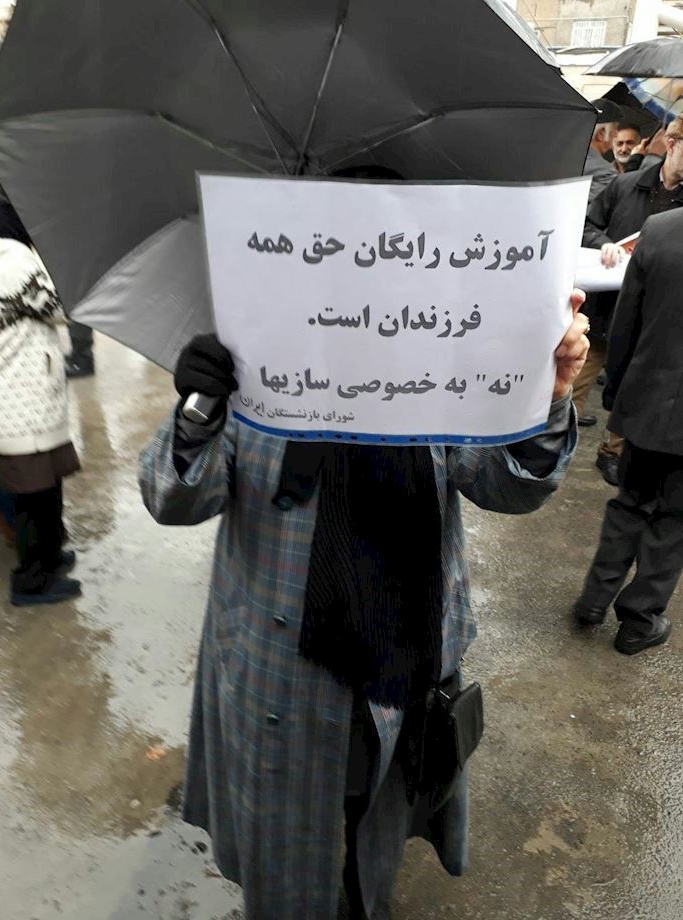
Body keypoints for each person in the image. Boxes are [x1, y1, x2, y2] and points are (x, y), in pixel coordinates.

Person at [138, 251, 588, 920]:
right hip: (280, 676)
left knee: (373, 840)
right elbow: (172, 496)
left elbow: (508, 484)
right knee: (288, 862)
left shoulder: (441, 372)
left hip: (404, 664)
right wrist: (202, 404)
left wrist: (545, 395)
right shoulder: (257, 370)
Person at [574, 209, 683, 655]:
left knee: (629, 503)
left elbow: (625, 323)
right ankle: (639, 620)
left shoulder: (660, 228)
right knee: (673, 519)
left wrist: (617, 390)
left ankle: (594, 601)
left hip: (645, 400)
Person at [573, 114, 683, 483]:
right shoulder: (625, 186)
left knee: (634, 389)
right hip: (604, 311)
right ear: (671, 144)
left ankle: (613, 451)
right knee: (576, 381)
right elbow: (586, 224)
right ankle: (557, 440)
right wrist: (602, 243)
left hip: (653, 317)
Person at [0, 200, 81, 605]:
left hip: (17, 404)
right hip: (22, 405)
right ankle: (32, 581)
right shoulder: (11, 258)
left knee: (40, 492)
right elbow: (58, 309)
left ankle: (48, 560)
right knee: (35, 498)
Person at [582, 98, 623, 205]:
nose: (616, 134)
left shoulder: (564, 159)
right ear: (601, 134)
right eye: (615, 128)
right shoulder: (604, 172)